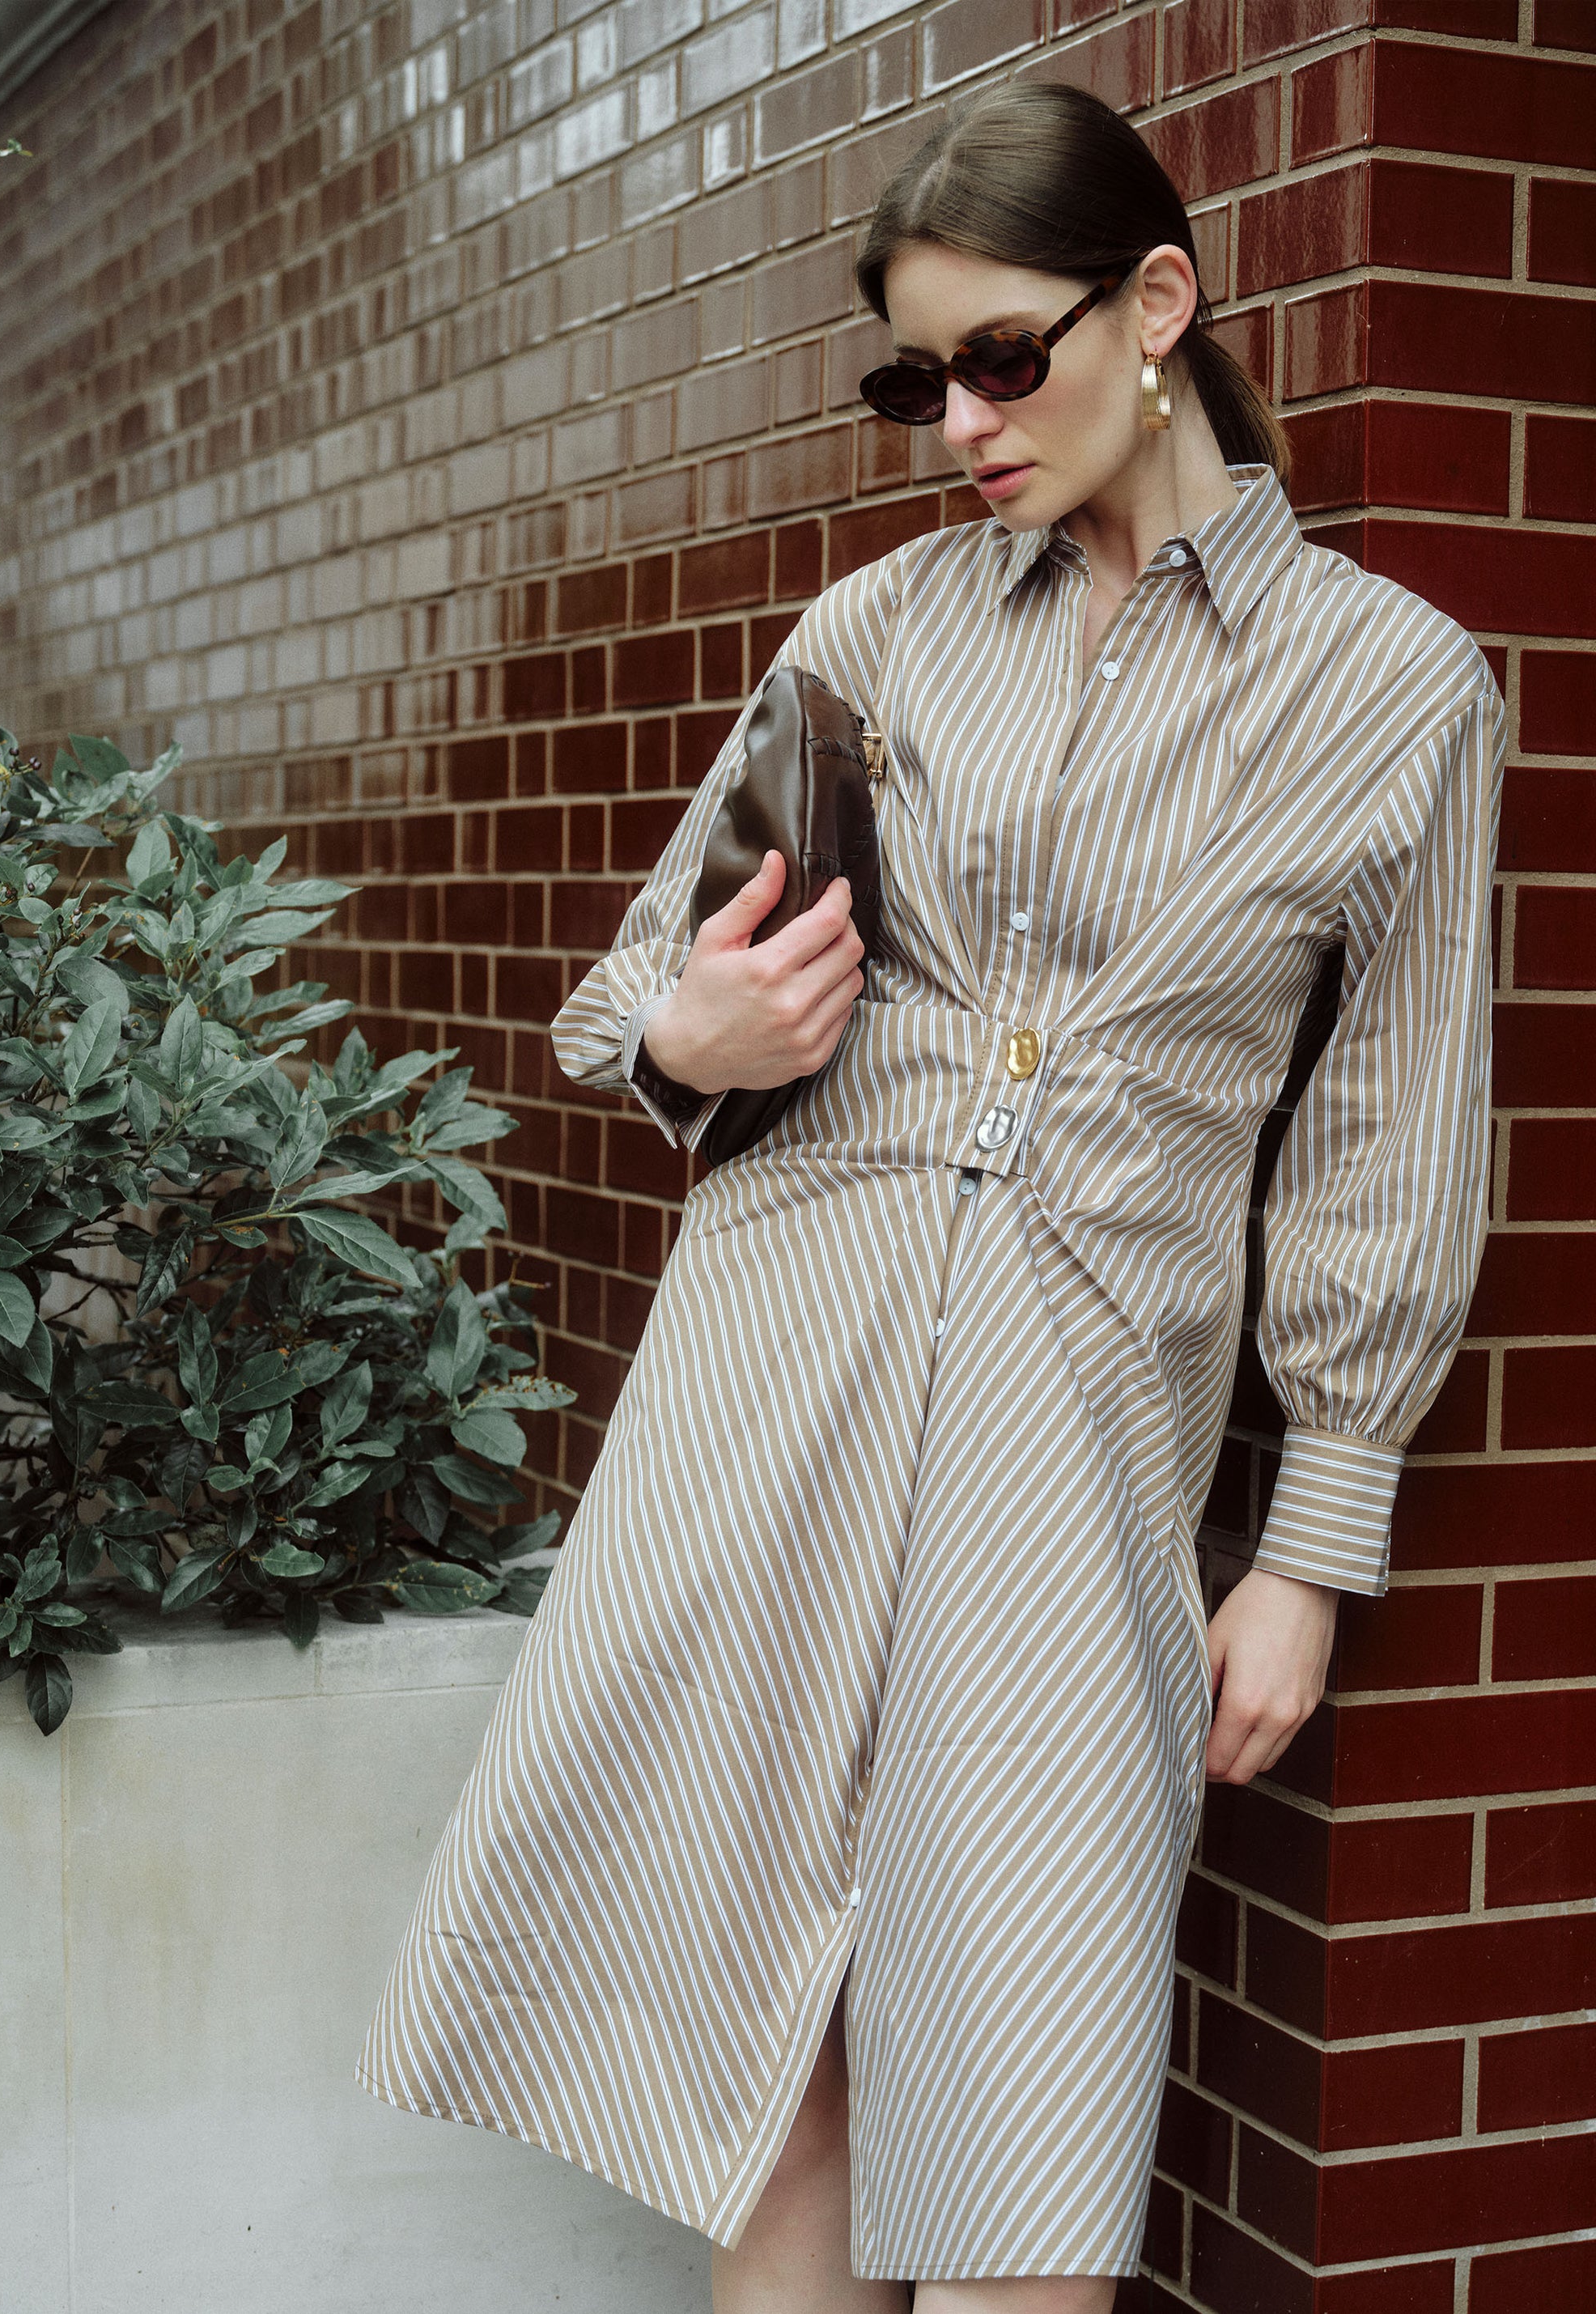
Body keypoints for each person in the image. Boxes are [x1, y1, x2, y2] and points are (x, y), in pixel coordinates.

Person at [355, 79, 1504, 2314]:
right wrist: (701, 1038)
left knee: (1020, 2140)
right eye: (914, 377)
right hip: (780, 1391)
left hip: (1079, 1457)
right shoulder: (874, 632)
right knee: (786, 2073)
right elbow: (627, 998)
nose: (957, 422)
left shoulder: (1394, 689)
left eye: (1004, 356)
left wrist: (1315, 1541)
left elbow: (1395, 1124)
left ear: (1158, 302)